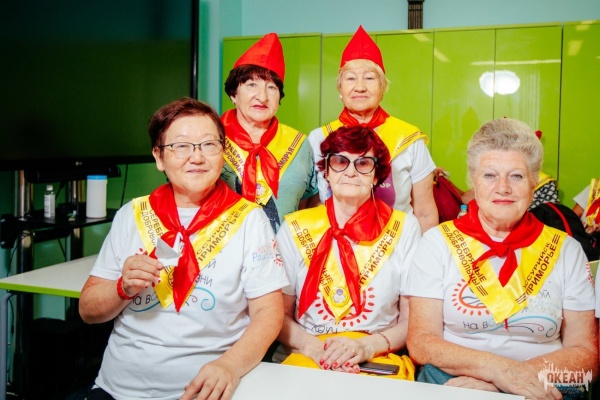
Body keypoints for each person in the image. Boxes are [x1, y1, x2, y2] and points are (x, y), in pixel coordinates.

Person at [79, 98, 289, 400]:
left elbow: (268, 314)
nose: (197, 157)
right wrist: (122, 288)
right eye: (181, 146)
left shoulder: (249, 219)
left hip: (205, 391)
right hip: (117, 390)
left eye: (209, 145)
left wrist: (229, 366)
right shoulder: (132, 214)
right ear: (159, 157)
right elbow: (87, 311)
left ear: (223, 153)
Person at [406, 118, 598, 399]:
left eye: (516, 176)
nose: (503, 188)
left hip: (544, 384)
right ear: (473, 182)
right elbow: (422, 342)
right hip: (456, 381)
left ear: (534, 183)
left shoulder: (566, 250)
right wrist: (500, 373)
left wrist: (506, 383)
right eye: (490, 175)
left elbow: (586, 353)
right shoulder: (437, 243)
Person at [275, 125, 419, 380]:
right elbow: (277, 315)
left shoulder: (405, 227)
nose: (351, 172)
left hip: (377, 356)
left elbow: (413, 320)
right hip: (310, 352)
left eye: (363, 163)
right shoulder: (294, 227)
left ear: (376, 175)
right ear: (327, 171)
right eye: (340, 161)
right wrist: (319, 351)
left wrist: (366, 347)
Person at [307, 25, 438, 234]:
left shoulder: (410, 138)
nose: (360, 87)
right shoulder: (319, 138)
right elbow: (312, 202)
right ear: (340, 88)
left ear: (383, 87)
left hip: (397, 244)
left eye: (369, 78)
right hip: (337, 244)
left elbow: (425, 211)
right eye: (350, 78)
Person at [221, 32, 318, 234]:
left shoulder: (300, 144)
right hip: (219, 249)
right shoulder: (210, 139)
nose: (262, 97)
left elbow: (309, 200)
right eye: (251, 85)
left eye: (271, 87)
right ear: (233, 94)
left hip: (284, 249)